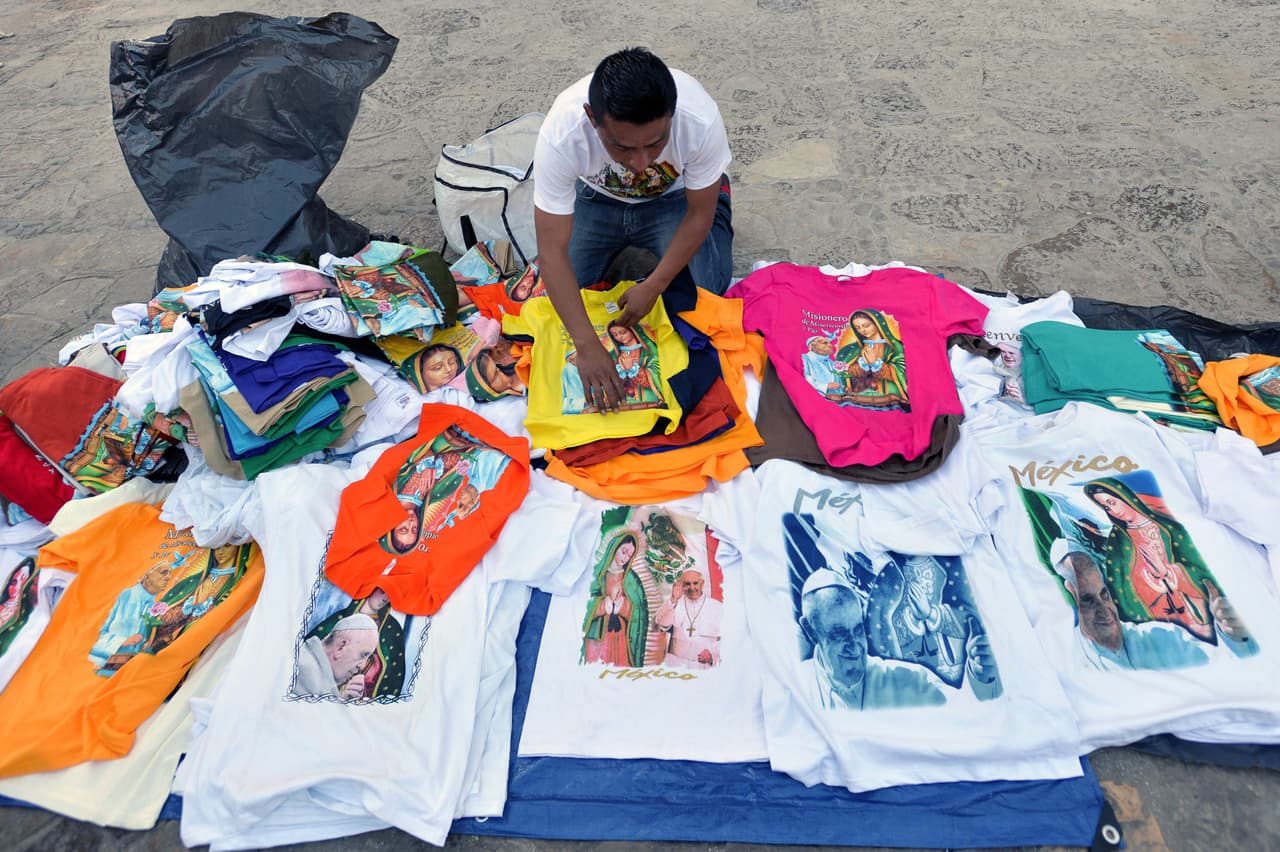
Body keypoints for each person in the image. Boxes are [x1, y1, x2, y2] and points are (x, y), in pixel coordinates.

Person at [534, 47, 733, 412]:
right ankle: (628, 246)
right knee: (557, 290)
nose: (641, 163)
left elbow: (697, 215)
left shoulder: (699, 119)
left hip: (676, 200)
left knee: (707, 290)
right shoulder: (562, 133)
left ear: (672, 116)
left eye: (656, 143)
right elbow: (551, 251)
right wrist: (587, 345)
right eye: (621, 147)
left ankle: (717, 193)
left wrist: (655, 284)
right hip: (596, 199)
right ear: (592, 118)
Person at [1082, 477, 1236, 644]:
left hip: (1191, 605)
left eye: (1113, 502)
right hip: (1151, 613)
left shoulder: (1169, 528)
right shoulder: (1117, 541)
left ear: (1124, 496)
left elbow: (1198, 567)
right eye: (1106, 507)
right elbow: (1119, 585)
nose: (1113, 510)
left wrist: (1168, 572)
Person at [1052, 546, 1253, 670]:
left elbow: (1227, 666)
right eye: (1088, 600)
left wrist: (1234, 638)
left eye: (1104, 595)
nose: (1103, 609)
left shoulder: (1160, 636)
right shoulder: (1064, 661)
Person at [798, 569, 946, 711]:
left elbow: (962, 711)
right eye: (839, 634)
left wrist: (970, 671)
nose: (855, 648)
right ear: (811, 631)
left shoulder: (910, 681)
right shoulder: (793, 689)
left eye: (858, 630)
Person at [306, 588, 405, 700]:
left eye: (390, 595)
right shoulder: (341, 618)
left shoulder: (392, 629)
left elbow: (393, 669)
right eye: (382, 591)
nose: (385, 599)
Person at [89, 560, 173, 672]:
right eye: (163, 572)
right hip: (110, 665)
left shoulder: (153, 603)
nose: (168, 577)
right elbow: (108, 629)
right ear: (147, 575)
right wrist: (122, 641)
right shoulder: (128, 595)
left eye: (169, 574)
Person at [581, 533, 650, 667]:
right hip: (597, 638)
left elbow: (640, 612)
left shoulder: (631, 579)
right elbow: (584, 603)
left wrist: (623, 606)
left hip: (621, 637)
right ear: (614, 548)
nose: (626, 558)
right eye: (624, 552)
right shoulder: (596, 574)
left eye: (630, 555)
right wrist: (602, 605)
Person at [832, 309, 909, 409]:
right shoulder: (851, 350)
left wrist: (877, 365)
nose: (862, 330)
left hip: (889, 397)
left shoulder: (894, 346)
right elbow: (845, 373)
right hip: (860, 397)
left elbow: (902, 372)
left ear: (877, 324)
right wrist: (860, 368)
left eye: (866, 325)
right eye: (858, 328)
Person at [294, 613, 379, 700]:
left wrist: (344, 700)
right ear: (341, 647)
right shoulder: (307, 675)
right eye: (363, 655)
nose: (362, 666)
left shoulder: (313, 670)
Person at [654, 568, 722, 669]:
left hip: (704, 667)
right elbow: (661, 624)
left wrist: (713, 652)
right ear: (681, 586)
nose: (692, 587)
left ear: (702, 583)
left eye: (695, 583)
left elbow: (729, 638)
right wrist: (673, 600)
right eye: (687, 584)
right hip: (676, 665)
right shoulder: (675, 603)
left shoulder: (717, 607)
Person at [602, 321, 663, 409]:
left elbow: (657, 373)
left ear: (633, 330)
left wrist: (634, 369)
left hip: (648, 399)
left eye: (622, 332)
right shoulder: (613, 355)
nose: (619, 337)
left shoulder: (648, 351)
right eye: (615, 335)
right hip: (623, 402)